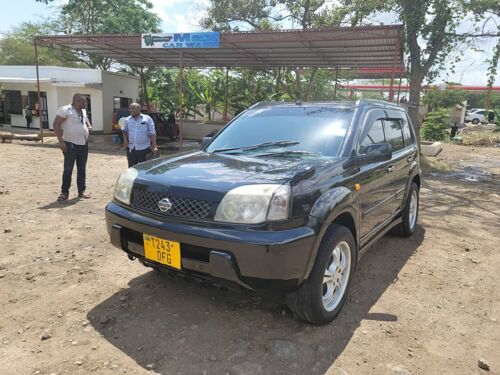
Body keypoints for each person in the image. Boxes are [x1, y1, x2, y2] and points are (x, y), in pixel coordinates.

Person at [53, 94, 92, 201]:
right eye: (84, 102)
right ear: (78, 101)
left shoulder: (83, 111)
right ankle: (64, 192)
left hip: (83, 144)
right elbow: (56, 124)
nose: (86, 104)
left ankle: (81, 191)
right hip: (70, 144)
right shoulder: (65, 110)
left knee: (82, 169)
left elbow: (85, 121)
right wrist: (61, 142)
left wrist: (88, 127)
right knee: (68, 169)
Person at [123, 102, 158, 167]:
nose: (131, 110)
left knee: (144, 168)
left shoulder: (147, 118)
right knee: (132, 168)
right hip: (131, 148)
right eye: (130, 108)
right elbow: (124, 131)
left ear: (139, 109)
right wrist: (125, 141)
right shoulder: (127, 120)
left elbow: (152, 133)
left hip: (144, 148)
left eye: (133, 108)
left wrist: (154, 146)